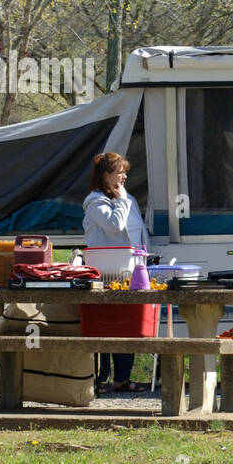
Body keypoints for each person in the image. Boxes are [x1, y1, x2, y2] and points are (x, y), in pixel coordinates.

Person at [83, 152, 150, 393]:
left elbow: (138, 232)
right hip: (105, 273)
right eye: (119, 172)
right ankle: (100, 379)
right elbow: (114, 225)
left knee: (127, 325)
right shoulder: (95, 201)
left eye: (125, 171)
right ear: (105, 175)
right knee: (105, 324)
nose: (124, 176)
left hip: (128, 271)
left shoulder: (126, 197)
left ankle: (122, 378)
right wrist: (122, 200)